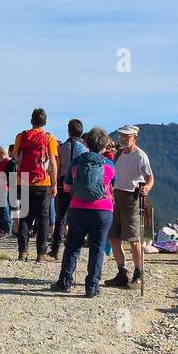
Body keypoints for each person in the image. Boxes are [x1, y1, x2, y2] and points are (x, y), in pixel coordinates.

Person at [51, 126, 115, 297]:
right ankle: (92, 287)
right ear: (105, 145)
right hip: (103, 210)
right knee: (97, 248)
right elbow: (111, 185)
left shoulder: (76, 162)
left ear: (86, 143)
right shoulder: (109, 164)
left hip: (78, 208)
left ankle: (65, 282)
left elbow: (66, 186)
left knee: (72, 246)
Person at [103, 125, 154, 289]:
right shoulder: (118, 154)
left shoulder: (140, 156)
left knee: (133, 238)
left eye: (126, 136)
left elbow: (150, 177)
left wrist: (147, 187)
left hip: (132, 198)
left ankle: (138, 272)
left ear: (135, 138)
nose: (123, 138)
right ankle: (122, 272)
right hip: (117, 196)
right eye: (121, 136)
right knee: (113, 236)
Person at [12, 108, 59, 263]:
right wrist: (54, 183)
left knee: (25, 216)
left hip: (23, 179)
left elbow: (15, 156)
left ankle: (23, 252)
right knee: (43, 217)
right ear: (45, 121)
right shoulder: (49, 138)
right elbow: (52, 161)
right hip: (43, 181)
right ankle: (41, 253)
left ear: (31, 120)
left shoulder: (21, 136)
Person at [50, 119, 86, 259]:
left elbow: (56, 166)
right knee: (76, 217)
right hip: (77, 185)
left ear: (68, 131)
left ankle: (55, 248)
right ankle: (73, 247)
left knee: (61, 216)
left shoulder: (61, 147)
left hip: (62, 182)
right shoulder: (84, 149)